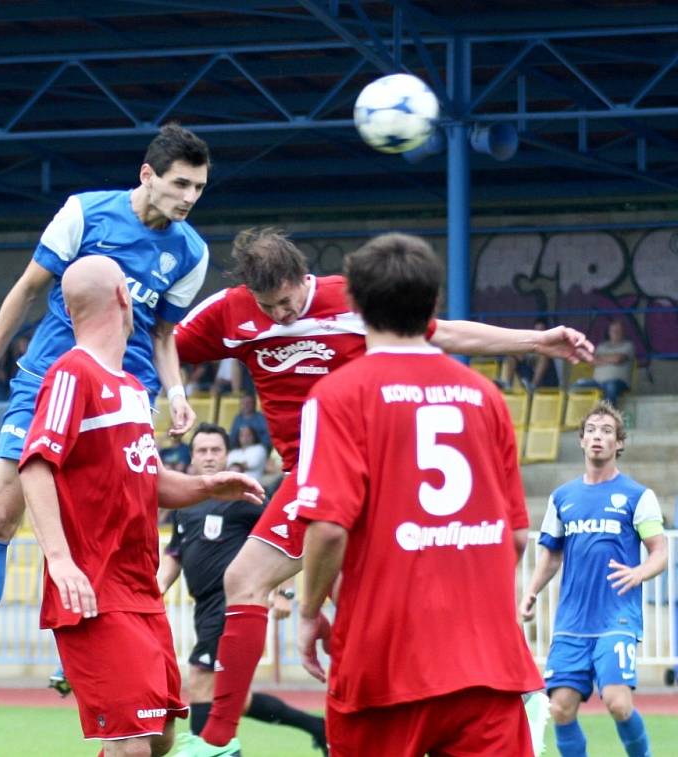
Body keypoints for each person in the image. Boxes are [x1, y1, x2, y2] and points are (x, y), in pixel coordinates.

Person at [171, 227, 594, 757]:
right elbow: (162, 338)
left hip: (343, 462)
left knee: (246, 577)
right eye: (268, 306)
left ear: (305, 280)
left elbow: (441, 333)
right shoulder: (228, 313)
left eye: (287, 302)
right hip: (346, 466)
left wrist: (534, 340)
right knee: (380, 598)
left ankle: (217, 739)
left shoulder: (349, 309)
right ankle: (509, 687)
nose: (281, 315)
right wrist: (167, 394)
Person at [0, 123, 212, 706]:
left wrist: (177, 392)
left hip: (126, 398)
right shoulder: (85, 213)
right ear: (147, 175)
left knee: (105, 529)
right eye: (181, 184)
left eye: (200, 188)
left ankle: (79, 657)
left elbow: (162, 335)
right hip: (48, 383)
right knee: (1, 514)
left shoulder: (192, 252)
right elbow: (26, 289)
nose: (189, 197)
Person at [293, 232, 543, 756]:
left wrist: (309, 609)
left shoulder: (337, 395)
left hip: (384, 662)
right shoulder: (485, 396)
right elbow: (517, 535)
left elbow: (330, 527)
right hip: (487, 667)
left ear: (354, 304)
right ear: (433, 306)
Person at [15, 256, 263, 756]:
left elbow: (145, 480)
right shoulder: (71, 373)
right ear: (125, 299)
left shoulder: (131, 389)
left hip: (140, 591)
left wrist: (206, 487)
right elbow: (35, 464)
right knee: (133, 743)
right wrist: (60, 560)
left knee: (162, 737)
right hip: (96, 591)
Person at [157, 423, 326, 755]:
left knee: (202, 677)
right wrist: (156, 588)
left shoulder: (245, 495)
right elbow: (176, 553)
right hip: (203, 606)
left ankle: (206, 747)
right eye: (202, 451)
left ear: (227, 454)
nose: (208, 457)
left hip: (231, 604)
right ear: (192, 457)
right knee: (231, 696)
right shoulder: (185, 503)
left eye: (215, 450)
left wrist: (283, 592)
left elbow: (282, 538)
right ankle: (314, 726)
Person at [519, 401, 666, 757]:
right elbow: (551, 553)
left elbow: (660, 551)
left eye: (606, 431)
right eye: (591, 431)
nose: (598, 437)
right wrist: (531, 591)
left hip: (616, 618)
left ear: (619, 443)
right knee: (561, 707)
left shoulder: (637, 496)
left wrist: (639, 572)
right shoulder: (563, 498)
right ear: (582, 441)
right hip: (571, 622)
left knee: (617, 701)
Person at [573, 318, 635, 406]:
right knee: (577, 385)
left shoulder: (628, 345)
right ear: (609, 332)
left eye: (618, 330)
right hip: (597, 382)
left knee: (610, 386)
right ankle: (578, 415)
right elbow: (592, 360)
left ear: (623, 332)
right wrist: (611, 359)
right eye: (613, 330)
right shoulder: (602, 346)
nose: (616, 333)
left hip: (618, 383)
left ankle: (609, 416)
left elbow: (618, 359)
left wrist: (601, 359)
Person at [499, 316, 561, 391]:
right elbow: (526, 355)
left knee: (543, 357)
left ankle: (533, 386)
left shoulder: (553, 343)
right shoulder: (532, 343)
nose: (538, 333)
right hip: (530, 372)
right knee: (512, 354)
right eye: (536, 330)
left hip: (548, 379)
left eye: (541, 330)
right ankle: (508, 384)